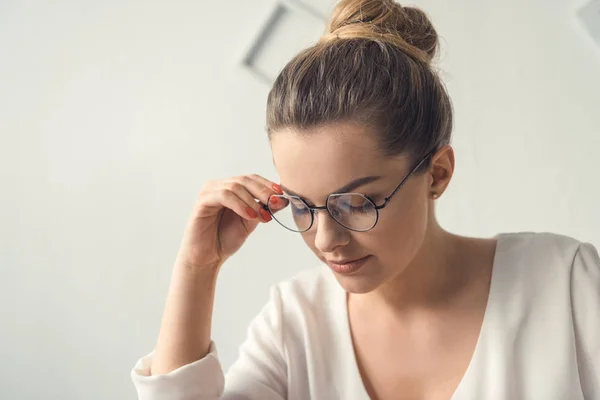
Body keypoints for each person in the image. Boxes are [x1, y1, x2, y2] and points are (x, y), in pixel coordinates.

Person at [130, 0, 600, 398]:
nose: (327, 240)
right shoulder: (295, 324)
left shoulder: (565, 285)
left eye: (356, 203)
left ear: (437, 174)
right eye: (301, 206)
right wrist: (197, 266)